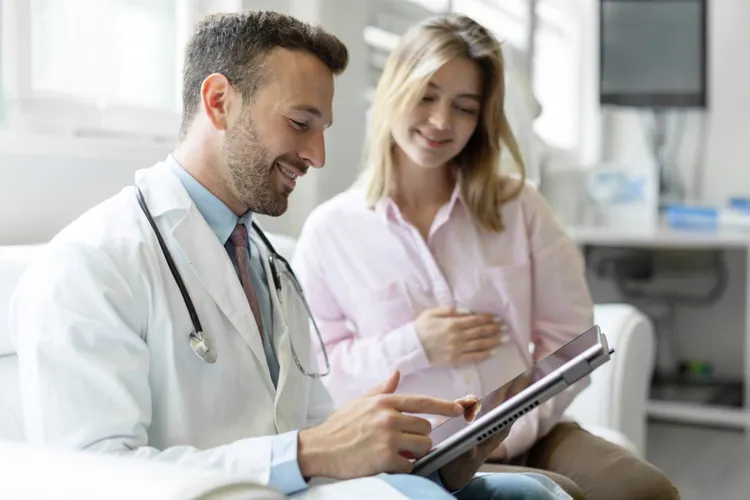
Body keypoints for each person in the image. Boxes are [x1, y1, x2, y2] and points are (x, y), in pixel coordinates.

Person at [8, 10, 570, 500]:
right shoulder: (92, 264)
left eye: (322, 129)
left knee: (533, 493)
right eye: (301, 124)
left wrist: (435, 457)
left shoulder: (269, 265)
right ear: (219, 101)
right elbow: (97, 479)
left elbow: (321, 433)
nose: (319, 156)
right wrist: (305, 453)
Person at [292, 14, 681, 500]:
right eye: (427, 96)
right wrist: (416, 343)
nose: (441, 122)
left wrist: (512, 428)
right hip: (417, 454)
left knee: (646, 490)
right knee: (557, 497)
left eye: (464, 107)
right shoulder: (331, 231)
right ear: (394, 90)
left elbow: (570, 334)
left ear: (481, 119)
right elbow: (321, 377)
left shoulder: (519, 206)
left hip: (527, 433)